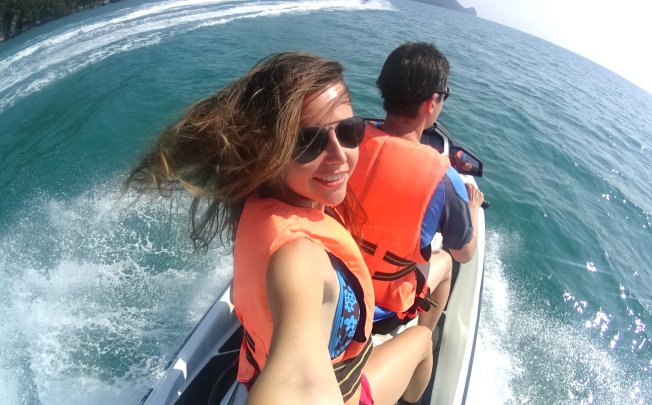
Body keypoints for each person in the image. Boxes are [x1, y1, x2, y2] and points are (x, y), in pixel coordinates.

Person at [125, 52, 433, 405]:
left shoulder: (259, 199)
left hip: (255, 370)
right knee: (422, 342)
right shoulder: (298, 256)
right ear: (268, 148)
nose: (339, 155)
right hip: (344, 391)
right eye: (308, 142)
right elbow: (299, 384)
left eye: (350, 131)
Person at [349, 42, 484, 334]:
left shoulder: (345, 143)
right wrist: (472, 209)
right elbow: (464, 252)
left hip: (330, 285)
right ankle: (422, 339)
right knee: (447, 261)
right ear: (431, 102)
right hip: (380, 310)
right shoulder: (445, 179)